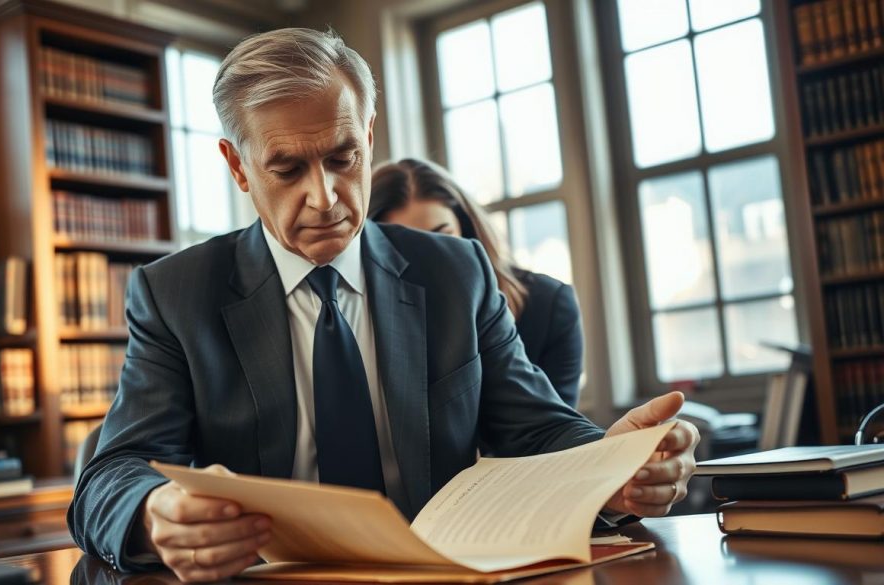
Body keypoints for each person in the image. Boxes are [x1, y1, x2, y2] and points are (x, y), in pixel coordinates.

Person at [67, 27, 700, 583]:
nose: (325, 197)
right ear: (237, 165)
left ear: (369, 136)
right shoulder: (176, 294)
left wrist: (612, 468)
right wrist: (156, 516)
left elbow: (537, 430)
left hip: (439, 575)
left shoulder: (455, 272)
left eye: (345, 159)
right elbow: (110, 475)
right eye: (286, 169)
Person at [369, 159, 584, 408]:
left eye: (443, 237)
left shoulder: (549, 305)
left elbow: (557, 427)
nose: (431, 257)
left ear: (467, 228)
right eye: (409, 247)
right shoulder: (368, 322)